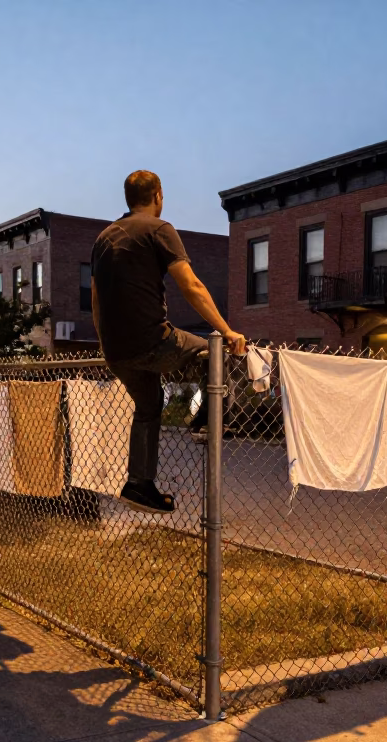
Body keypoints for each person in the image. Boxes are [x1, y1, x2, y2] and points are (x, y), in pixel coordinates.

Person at [91, 170, 245, 514]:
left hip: (117, 352)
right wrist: (228, 330)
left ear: (128, 198)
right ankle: (208, 421)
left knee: (148, 408)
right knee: (212, 351)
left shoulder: (102, 239)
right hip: (153, 339)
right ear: (158, 195)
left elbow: (97, 301)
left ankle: (139, 485)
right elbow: (191, 286)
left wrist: (106, 345)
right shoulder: (160, 230)